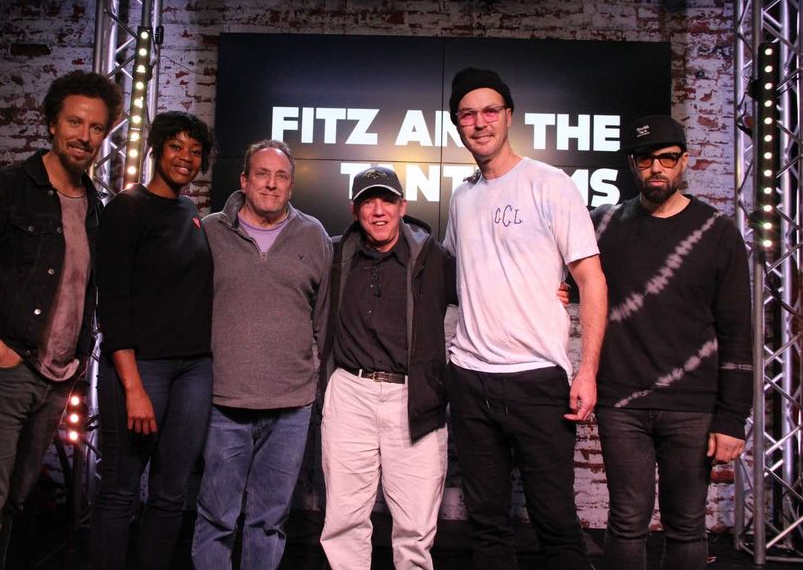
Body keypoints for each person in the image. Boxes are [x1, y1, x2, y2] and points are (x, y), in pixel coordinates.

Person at [0, 70, 122, 569]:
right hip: (0, 372)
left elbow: (86, 292)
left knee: (12, 503)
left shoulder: (95, 208)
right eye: (75, 122)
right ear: (52, 124)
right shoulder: (4, 189)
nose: (84, 136)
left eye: (96, 127)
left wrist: (79, 358)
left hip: (55, 379)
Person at [443, 68, 608, 569]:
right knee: (488, 527)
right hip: (470, 378)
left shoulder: (550, 183)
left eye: (490, 110)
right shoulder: (462, 196)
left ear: (509, 116)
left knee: (556, 524)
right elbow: (457, 276)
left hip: (536, 380)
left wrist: (587, 371)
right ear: (457, 124)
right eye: (467, 114)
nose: (480, 122)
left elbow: (592, 280)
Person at [591, 115, 752, 570]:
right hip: (621, 401)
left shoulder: (717, 231)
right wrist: (559, 287)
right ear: (632, 164)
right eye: (645, 159)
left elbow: (738, 330)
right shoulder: (602, 225)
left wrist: (732, 418)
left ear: (684, 161)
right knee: (626, 523)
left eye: (667, 158)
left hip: (693, 405)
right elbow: (563, 273)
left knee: (686, 527)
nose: (656, 168)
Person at [191, 140, 333, 570]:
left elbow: (324, 320)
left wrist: (321, 389)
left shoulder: (314, 235)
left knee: (269, 522)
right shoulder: (210, 232)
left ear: (291, 185)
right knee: (216, 517)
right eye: (262, 174)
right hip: (224, 402)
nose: (271, 184)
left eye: (281, 176)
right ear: (244, 179)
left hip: (291, 407)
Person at [89, 112, 216, 569]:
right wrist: (133, 388)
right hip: (142, 369)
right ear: (157, 149)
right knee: (119, 491)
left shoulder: (190, 211)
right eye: (176, 146)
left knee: (170, 493)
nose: (186, 158)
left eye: (195, 151)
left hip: (194, 369)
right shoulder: (127, 208)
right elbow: (113, 305)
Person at [318, 166, 456, 570]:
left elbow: (488, 290)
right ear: (354, 209)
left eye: (387, 201)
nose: (378, 211)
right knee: (344, 520)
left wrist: (552, 288)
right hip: (350, 391)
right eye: (368, 202)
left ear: (402, 206)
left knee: (415, 527)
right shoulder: (334, 254)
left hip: (414, 395)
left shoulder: (434, 258)